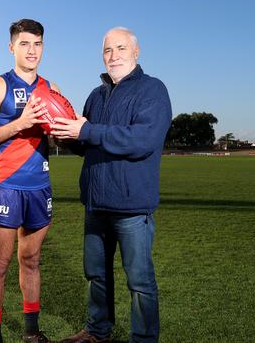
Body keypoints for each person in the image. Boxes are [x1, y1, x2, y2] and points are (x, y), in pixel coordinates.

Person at [50, 27, 172, 343]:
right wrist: (62, 131)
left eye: (120, 48)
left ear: (136, 51)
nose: (113, 55)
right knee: (95, 276)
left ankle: (143, 339)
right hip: (96, 203)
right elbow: (86, 142)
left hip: (132, 206)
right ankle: (96, 332)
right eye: (107, 50)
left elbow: (141, 141)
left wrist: (87, 131)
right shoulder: (96, 94)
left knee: (140, 282)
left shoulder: (152, 90)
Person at [0, 18, 60, 343]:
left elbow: (61, 133)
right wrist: (20, 123)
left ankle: (31, 333)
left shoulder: (51, 90)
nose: (31, 50)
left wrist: (74, 129)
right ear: (12, 47)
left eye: (37, 44)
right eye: (24, 43)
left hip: (40, 187)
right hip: (7, 187)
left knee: (32, 259)